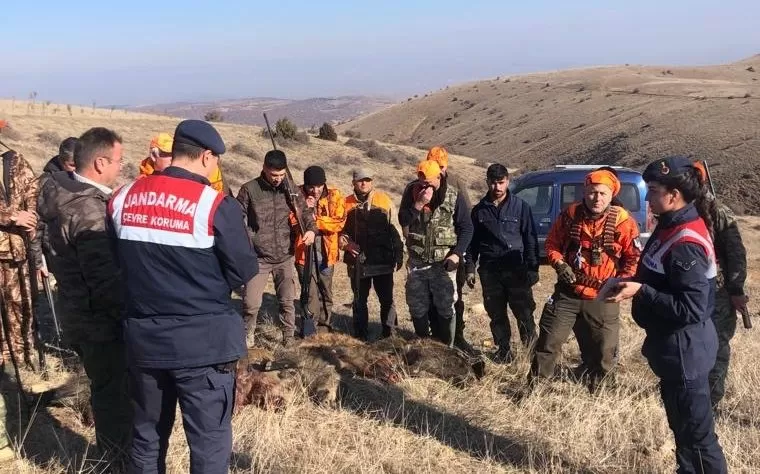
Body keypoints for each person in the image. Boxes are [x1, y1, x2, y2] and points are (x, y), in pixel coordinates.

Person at [108, 119, 258, 473]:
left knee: (146, 438)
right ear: (207, 156)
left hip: (144, 343)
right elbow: (242, 268)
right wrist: (205, 288)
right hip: (202, 346)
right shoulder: (214, 204)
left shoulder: (122, 197)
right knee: (208, 441)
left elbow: (119, 260)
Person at [610, 156, 727, 474]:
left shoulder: (685, 241)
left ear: (673, 194)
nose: (647, 197)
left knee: (699, 441)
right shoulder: (673, 223)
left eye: (653, 189)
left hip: (686, 352)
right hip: (675, 351)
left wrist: (641, 291)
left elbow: (691, 308)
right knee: (685, 434)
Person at [37, 127, 131, 465]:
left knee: (104, 386)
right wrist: (131, 314)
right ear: (101, 161)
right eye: (119, 161)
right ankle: (117, 460)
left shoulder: (55, 188)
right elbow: (105, 280)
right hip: (100, 320)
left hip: (74, 308)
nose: (121, 167)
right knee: (114, 394)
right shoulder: (88, 211)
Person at [530, 168, 640, 390]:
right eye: (592, 192)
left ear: (611, 194)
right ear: (584, 192)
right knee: (548, 342)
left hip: (603, 296)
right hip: (567, 293)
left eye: (602, 193)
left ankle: (601, 392)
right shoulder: (570, 215)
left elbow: (634, 257)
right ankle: (537, 388)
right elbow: (552, 244)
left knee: (604, 350)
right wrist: (559, 264)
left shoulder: (623, 222)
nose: (596, 198)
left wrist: (621, 283)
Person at [237, 150, 316, 346]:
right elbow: (236, 216)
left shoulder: (290, 190)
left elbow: (305, 212)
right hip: (258, 257)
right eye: (274, 175)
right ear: (264, 168)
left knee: (287, 301)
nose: (278, 180)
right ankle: (247, 336)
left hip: (285, 255)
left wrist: (312, 230)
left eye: (281, 175)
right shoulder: (249, 189)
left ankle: (288, 337)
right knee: (251, 303)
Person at [400, 146, 474, 351]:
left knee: (446, 306)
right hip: (418, 262)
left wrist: (458, 254)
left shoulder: (454, 193)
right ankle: (424, 345)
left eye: (429, 182)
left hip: (444, 263)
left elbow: (467, 227)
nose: (424, 186)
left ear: (440, 177)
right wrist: (418, 203)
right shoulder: (412, 191)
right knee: (417, 306)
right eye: (421, 182)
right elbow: (403, 220)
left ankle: (447, 347)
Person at [690, 162, 748, 409]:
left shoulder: (719, 212)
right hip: (689, 289)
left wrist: (735, 289)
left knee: (717, 344)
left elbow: (736, 253)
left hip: (718, 292)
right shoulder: (680, 210)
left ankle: (712, 398)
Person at [466, 163, 539, 362]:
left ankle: (533, 354)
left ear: (507, 181)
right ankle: (504, 351)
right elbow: (472, 244)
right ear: (487, 182)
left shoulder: (520, 207)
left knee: (524, 314)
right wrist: (470, 268)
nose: (497, 188)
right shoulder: (479, 211)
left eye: (501, 182)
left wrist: (532, 268)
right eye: (493, 183)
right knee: (496, 314)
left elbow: (530, 239)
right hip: (490, 271)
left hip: (516, 270)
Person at [340, 168, 404, 340]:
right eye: (360, 180)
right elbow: (339, 231)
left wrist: (399, 254)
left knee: (387, 300)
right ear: (353, 182)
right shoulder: (344, 203)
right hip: (357, 262)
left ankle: (390, 336)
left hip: (383, 260)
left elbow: (395, 229)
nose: (364, 183)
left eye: (367, 180)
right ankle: (360, 336)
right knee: (359, 300)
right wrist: (345, 244)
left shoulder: (384, 200)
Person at [0, 149, 40, 370]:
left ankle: (23, 358)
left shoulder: (13, 158)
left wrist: (31, 217)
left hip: (17, 249)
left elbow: (32, 188)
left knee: (20, 304)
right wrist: (13, 216)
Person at [294, 166, 346, 331]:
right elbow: (292, 222)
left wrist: (317, 222)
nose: (315, 191)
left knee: (326, 290)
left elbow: (339, 222)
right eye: (311, 187)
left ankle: (325, 325)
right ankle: (311, 325)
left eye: (319, 186)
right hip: (304, 252)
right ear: (305, 185)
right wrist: (305, 210)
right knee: (309, 291)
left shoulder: (335, 195)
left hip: (326, 252)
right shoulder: (296, 195)